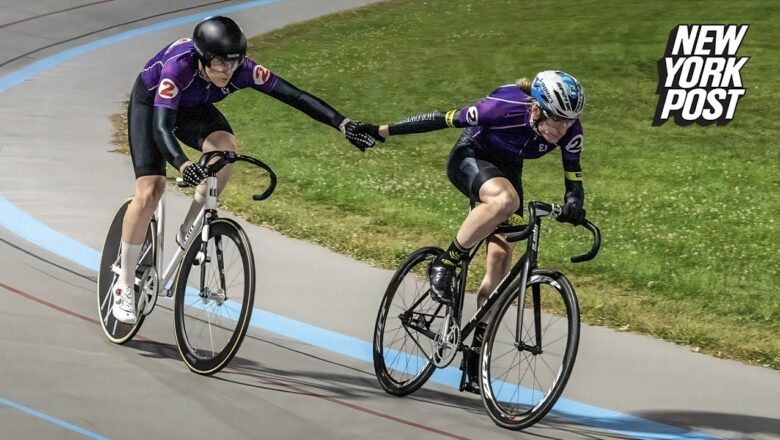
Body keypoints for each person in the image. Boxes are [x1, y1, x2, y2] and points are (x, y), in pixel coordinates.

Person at [111, 16, 377, 324]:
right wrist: (184, 165)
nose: (228, 72)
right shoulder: (177, 69)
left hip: (193, 107)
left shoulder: (244, 70)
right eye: (220, 64)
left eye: (233, 64)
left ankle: (191, 226)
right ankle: (124, 283)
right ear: (202, 58)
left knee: (225, 148)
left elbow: (296, 96)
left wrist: (342, 124)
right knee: (151, 190)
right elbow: (161, 129)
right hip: (153, 106)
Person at [356, 70, 587, 392]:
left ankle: (474, 356)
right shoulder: (502, 106)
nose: (562, 129)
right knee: (506, 200)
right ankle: (445, 264)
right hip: (470, 158)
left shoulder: (570, 129)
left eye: (568, 122)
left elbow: (573, 174)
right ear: (537, 108)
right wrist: (382, 131)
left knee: (501, 258)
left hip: (507, 170)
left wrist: (574, 203)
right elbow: (441, 119)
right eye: (556, 121)